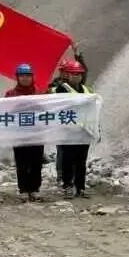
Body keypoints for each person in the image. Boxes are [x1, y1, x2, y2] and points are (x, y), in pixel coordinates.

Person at [52, 58, 93, 199]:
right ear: (67, 75)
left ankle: (80, 187)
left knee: (81, 161)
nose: (76, 76)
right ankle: (67, 186)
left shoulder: (86, 90)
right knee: (68, 160)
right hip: (67, 131)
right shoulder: (61, 89)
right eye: (73, 74)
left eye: (79, 74)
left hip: (83, 131)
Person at [7, 63, 45, 202]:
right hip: (19, 135)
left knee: (36, 162)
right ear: (17, 77)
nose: (25, 78)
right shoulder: (10, 94)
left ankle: (35, 189)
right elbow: (6, 112)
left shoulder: (40, 93)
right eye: (22, 75)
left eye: (28, 75)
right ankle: (23, 189)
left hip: (37, 134)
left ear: (32, 77)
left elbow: (46, 111)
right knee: (21, 163)